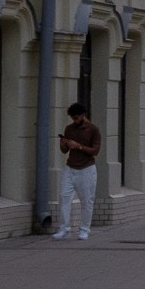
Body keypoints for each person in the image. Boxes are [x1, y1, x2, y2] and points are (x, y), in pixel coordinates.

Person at [54, 101, 102, 240]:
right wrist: (63, 144)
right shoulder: (69, 129)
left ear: (83, 115)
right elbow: (64, 151)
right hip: (70, 167)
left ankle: (84, 229)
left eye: (76, 118)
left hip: (87, 168)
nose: (74, 120)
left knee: (86, 200)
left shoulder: (93, 129)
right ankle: (64, 229)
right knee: (64, 197)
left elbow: (95, 150)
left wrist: (78, 146)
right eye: (72, 118)